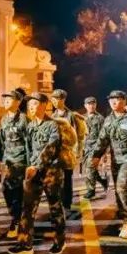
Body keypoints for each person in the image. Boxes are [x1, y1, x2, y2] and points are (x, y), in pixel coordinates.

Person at [8, 92, 67, 254]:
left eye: (34, 104)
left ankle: (59, 241)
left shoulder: (53, 125)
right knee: (27, 208)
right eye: (29, 105)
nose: (30, 107)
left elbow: (51, 147)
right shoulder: (30, 126)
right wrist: (26, 166)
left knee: (55, 208)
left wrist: (37, 165)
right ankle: (24, 244)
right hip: (32, 172)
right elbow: (27, 149)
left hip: (51, 172)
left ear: (43, 105)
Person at [90, 90, 127, 238]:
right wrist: (96, 156)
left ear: (124, 101)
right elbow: (102, 140)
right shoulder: (108, 120)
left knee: (122, 187)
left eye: (117, 99)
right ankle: (125, 217)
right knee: (118, 191)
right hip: (115, 160)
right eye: (111, 100)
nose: (113, 102)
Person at [0, 88, 28, 237]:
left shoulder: (24, 119)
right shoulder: (4, 118)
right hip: (8, 161)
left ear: (18, 102)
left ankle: (16, 220)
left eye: (9, 98)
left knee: (17, 191)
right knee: (7, 189)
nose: (6, 101)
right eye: (5, 98)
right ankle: (16, 216)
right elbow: (0, 140)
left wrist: (30, 163)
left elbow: (29, 142)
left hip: (21, 161)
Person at [50, 89, 85, 220]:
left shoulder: (71, 116)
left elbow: (79, 136)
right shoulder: (52, 116)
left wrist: (77, 153)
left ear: (63, 100)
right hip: (55, 154)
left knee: (67, 182)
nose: (53, 101)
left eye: (56, 99)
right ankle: (59, 206)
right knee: (56, 182)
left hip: (68, 153)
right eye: (52, 99)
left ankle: (67, 206)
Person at [80, 96, 109, 200]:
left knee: (90, 168)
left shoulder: (100, 118)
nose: (91, 106)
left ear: (95, 105)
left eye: (93, 104)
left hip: (96, 147)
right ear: (85, 106)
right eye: (89, 104)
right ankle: (102, 180)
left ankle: (91, 190)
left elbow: (104, 135)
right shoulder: (82, 118)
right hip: (85, 147)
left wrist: (104, 153)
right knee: (88, 169)